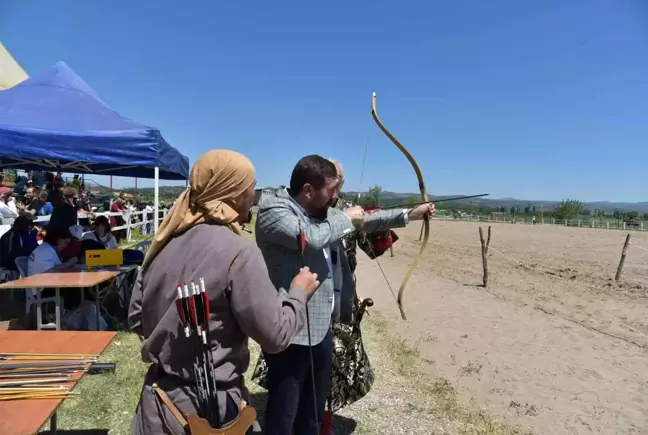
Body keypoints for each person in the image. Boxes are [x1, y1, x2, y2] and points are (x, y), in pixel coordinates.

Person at [127, 149, 321, 434]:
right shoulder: (239, 252)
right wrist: (297, 294)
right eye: (250, 188)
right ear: (232, 192)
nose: (252, 197)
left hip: (157, 404)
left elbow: (136, 318)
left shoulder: (164, 241)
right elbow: (275, 336)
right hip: (209, 412)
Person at [254, 155, 434, 435]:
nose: (337, 196)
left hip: (321, 327)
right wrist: (348, 219)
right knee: (284, 411)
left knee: (312, 411)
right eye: (332, 190)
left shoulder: (325, 212)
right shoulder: (274, 209)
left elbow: (368, 220)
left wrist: (411, 214)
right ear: (308, 190)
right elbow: (311, 237)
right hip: (290, 330)